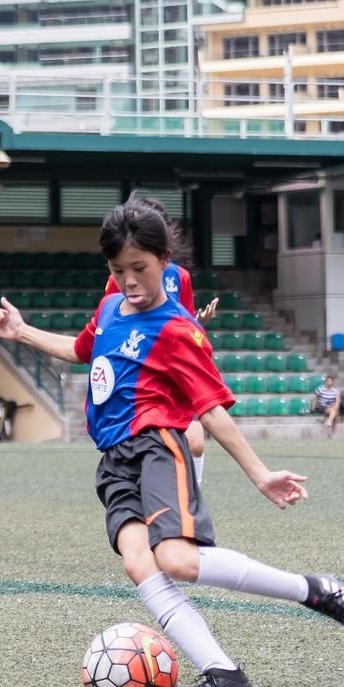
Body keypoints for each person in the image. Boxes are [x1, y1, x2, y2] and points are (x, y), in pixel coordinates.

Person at [0, 198, 344, 687]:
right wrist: (22, 332)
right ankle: (224, 677)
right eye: (118, 270)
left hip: (156, 447)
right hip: (112, 460)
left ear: (165, 260)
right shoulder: (108, 309)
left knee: (176, 558)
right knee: (141, 563)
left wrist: (259, 475)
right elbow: (82, 350)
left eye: (140, 269)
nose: (129, 281)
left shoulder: (176, 329)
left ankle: (315, 590)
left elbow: (212, 410)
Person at [102, 194, 218, 482]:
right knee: (150, 446)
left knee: (196, 441)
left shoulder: (181, 277)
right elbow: (110, 324)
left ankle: (192, 495)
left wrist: (198, 323)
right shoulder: (117, 282)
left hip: (174, 364)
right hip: (139, 367)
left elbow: (186, 322)